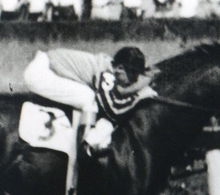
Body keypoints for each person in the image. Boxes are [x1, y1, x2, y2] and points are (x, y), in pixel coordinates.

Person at [21, 47, 156, 155]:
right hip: (39, 72)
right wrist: (141, 93)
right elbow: (112, 109)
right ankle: (85, 148)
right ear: (119, 68)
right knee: (88, 97)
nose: (134, 80)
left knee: (87, 96)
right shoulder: (106, 72)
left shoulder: (110, 67)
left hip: (46, 64)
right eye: (132, 74)